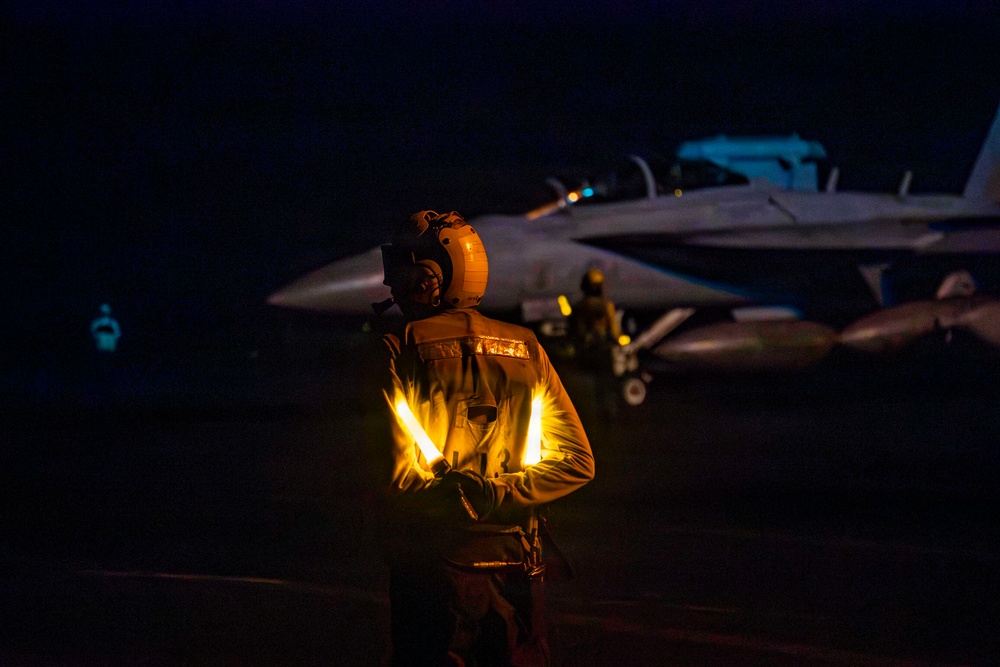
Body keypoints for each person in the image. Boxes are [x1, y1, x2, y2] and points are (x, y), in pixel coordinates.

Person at [365, 210, 595, 666]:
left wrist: (459, 501)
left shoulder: (399, 349)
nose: (393, 286)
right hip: (518, 569)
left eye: (402, 271)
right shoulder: (527, 348)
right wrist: (501, 494)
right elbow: (577, 462)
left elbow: (398, 477)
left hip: (434, 571)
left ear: (431, 277)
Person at [568, 269, 622, 418]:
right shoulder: (606, 305)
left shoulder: (578, 307)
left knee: (589, 387)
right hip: (603, 352)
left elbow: (574, 332)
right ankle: (608, 413)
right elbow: (614, 330)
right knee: (606, 385)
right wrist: (619, 342)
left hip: (586, 352)